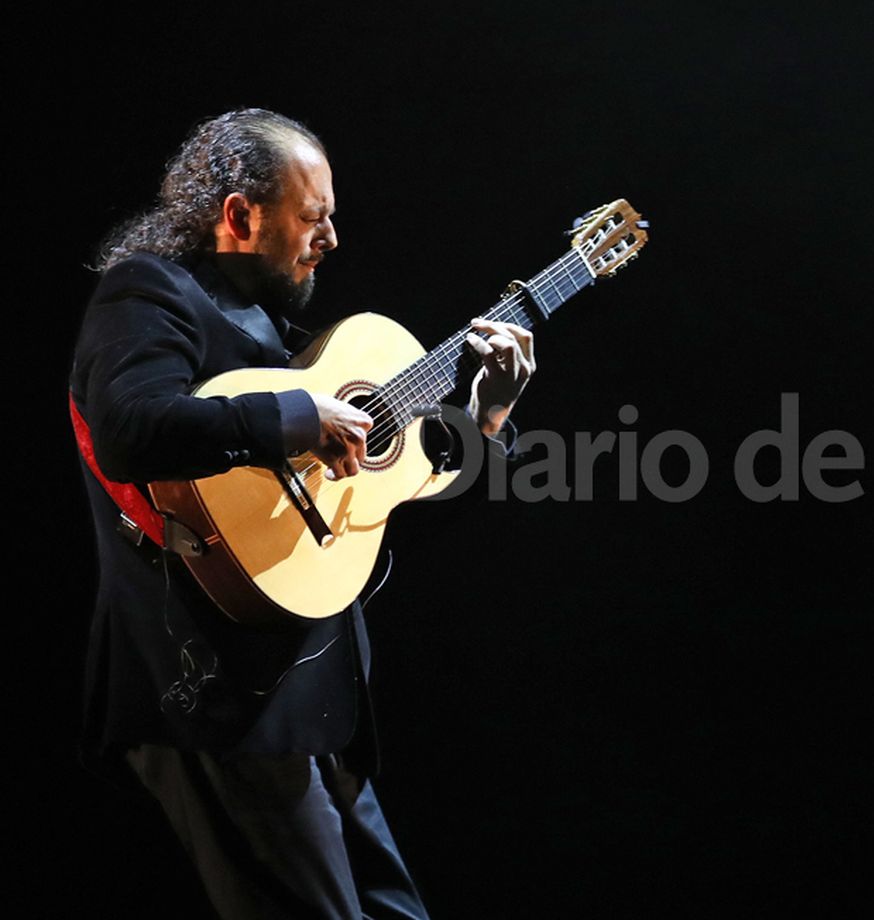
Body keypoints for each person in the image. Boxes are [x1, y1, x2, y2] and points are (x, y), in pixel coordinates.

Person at [70, 108, 534, 919]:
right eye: (312, 217)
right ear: (241, 214)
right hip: (212, 702)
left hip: (307, 704)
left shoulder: (280, 337)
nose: (330, 238)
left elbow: (375, 519)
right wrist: (296, 416)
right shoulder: (147, 292)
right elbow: (130, 429)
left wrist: (486, 421)